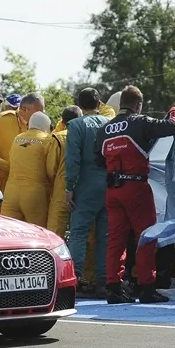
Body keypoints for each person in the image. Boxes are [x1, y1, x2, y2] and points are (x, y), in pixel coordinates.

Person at [94, 85, 175, 304]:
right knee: (145, 237)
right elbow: (173, 127)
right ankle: (146, 287)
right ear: (138, 105)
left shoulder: (105, 129)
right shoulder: (141, 122)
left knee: (116, 240)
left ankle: (114, 289)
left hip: (113, 190)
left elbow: (98, 160)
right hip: (136, 188)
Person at [66, 88, 111, 295]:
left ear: (79, 105)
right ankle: (104, 281)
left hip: (85, 185)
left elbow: (73, 159)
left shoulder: (76, 125)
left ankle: (74, 280)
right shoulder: (110, 124)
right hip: (110, 183)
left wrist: (69, 187)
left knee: (78, 233)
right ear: (99, 104)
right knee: (105, 235)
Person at [0, 111, 52, 227]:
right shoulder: (47, 140)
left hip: (11, 193)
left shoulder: (18, 138)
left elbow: (12, 160)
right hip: (34, 193)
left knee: (8, 231)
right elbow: (51, 169)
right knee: (38, 232)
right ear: (46, 126)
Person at [46, 105, 83, 239]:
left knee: (54, 232)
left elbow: (51, 169)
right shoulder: (87, 134)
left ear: (62, 122)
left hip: (62, 189)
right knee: (84, 232)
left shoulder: (57, 138)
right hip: (85, 187)